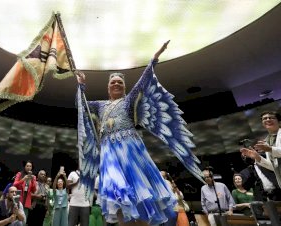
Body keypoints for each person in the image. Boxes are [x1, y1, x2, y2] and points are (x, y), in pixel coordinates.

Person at [76, 41, 203, 226]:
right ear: (108, 87)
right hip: (109, 151)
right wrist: (81, 86)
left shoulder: (128, 101)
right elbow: (82, 105)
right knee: (116, 192)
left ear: (124, 87)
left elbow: (143, 82)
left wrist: (154, 59)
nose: (117, 84)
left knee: (138, 193)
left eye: (120, 82)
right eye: (113, 82)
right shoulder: (99, 105)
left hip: (130, 149)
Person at [240, 111, 281, 205]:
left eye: (271, 117)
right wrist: (258, 157)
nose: (268, 119)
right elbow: (273, 166)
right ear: (262, 123)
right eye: (265, 118)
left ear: (278, 120)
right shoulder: (267, 141)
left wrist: (270, 149)